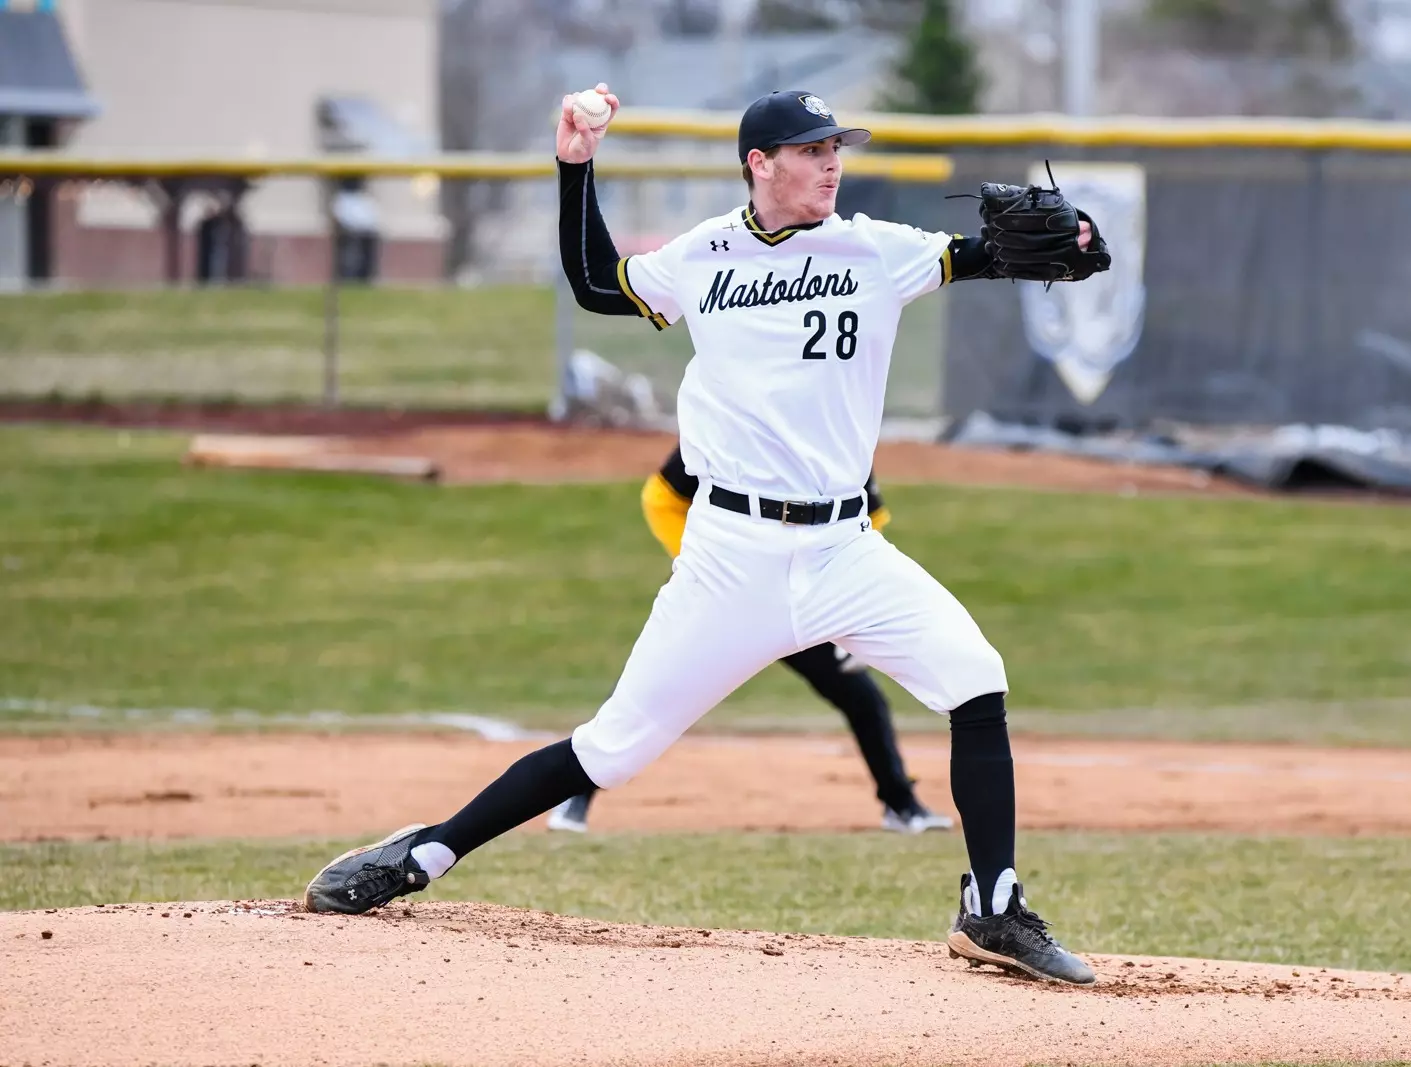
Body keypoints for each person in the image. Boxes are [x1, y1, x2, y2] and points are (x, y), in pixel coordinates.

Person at [305, 84, 1108, 985]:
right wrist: (576, 164)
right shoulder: (704, 256)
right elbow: (596, 283)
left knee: (976, 676)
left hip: (848, 549)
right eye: (809, 150)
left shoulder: (878, 249)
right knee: (614, 747)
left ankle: (993, 908)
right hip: (732, 555)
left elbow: (985, 254)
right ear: (759, 164)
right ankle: (423, 855)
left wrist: (1067, 249)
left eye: (836, 146)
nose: (831, 162)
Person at [546, 447, 953, 835]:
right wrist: (700, 566)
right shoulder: (736, 422)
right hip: (729, 592)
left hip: (807, 600)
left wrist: (849, 607)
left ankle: (901, 804)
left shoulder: (842, 433)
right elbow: (660, 499)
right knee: (649, 701)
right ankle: (576, 794)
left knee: (861, 698)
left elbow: (869, 523)